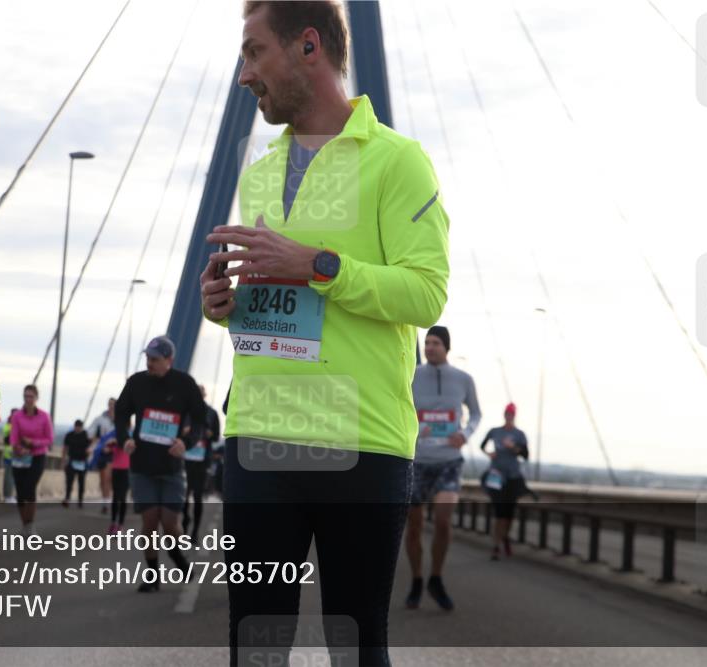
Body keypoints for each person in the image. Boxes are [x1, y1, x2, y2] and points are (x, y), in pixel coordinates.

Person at [199, 2, 449, 663]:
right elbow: (273, 299)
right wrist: (222, 304)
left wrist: (318, 265)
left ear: (307, 46)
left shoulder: (399, 162)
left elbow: (425, 292)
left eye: (254, 53)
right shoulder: (258, 171)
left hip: (360, 442)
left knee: (357, 644)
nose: (243, 75)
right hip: (258, 438)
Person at [115, 335, 205, 592]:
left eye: (154, 359)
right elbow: (121, 414)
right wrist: (125, 439)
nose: (149, 363)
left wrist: (186, 443)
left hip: (171, 466)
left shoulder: (184, 384)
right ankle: (152, 574)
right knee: (149, 522)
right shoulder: (136, 383)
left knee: (170, 525)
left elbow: (199, 420)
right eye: (147, 358)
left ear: (169, 360)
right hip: (142, 464)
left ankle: (178, 558)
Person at [404, 326, 480, 610]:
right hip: (418, 461)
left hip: (448, 460)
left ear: (447, 347)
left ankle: (436, 577)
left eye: (435, 343)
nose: (429, 347)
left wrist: (466, 434)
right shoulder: (412, 375)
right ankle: (416, 579)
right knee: (414, 526)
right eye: (427, 343)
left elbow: (477, 413)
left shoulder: (463, 379)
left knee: (444, 521)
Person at [480, 403, 532, 560]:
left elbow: (526, 455)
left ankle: (505, 538)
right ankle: (496, 546)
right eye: (507, 414)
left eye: (511, 414)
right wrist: (489, 454)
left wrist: (514, 447)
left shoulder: (519, 434)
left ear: (514, 416)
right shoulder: (495, 431)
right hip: (496, 476)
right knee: (498, 513)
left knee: (508, 514)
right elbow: (482, 445)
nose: (509, 416)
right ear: (504, 415)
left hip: (513, 477)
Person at [8, 384, 53, 535]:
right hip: (21, 456)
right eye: (26, 396)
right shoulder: (17, 416)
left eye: (31, 396)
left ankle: (30, 525)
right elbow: (13, 437)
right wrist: (18, 448)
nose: (28, 399)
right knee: (20, 493)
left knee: (29, 487)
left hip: (38, 456)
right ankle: (25, 525)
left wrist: (33, 443)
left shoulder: (44, 416)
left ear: (36, 398)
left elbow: (49, 439)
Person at [182, 385, 220, 538]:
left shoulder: (212, 413)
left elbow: (216, 436)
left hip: (202, 461)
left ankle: (195, 532)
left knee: (197, 496)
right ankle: (184, 524)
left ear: (204, 395)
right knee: (183, 496)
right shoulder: (185, 412)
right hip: (185, 460)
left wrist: (207, 433)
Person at [88, 398, 116, 513]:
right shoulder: (100, 419)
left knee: (111, 479)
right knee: (104, 479)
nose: (111, 406)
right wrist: (96, 439)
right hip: (103, 452)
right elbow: (90, 432)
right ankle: (106, 503)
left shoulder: (121, 419)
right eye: (109, 404)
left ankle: (111, 500)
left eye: (113, 404)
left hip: (116, 453)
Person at [61, 419, 91, 508]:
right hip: (72, 460)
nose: (78, 428)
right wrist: (63, 460)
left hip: (83, 461)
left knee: (81, 482)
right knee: (69, 481)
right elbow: (65, 448)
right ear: (74, 426)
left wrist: (89, 453)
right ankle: (67, 498)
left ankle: (80, 500)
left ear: (82, 427)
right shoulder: (69, 435)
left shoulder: (86, 435)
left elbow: (91, 446)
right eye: (76, 426)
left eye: (80, 427)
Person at [104, 430, 129, 533]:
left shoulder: (129, 441)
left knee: (122, 498)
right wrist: (110, 442)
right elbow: (105, 450)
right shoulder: (115, 442)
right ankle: (113, 522)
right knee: (115, 497)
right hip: (116, 470)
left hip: (126, 471)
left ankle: (121, 524)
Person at [1, 408, 17, 503]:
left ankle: (9, 495)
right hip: (10, 454)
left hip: (11, 454)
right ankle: (8, 496)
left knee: (10, 476)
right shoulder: (9, 426)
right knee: (9, 476)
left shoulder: (8, 425)